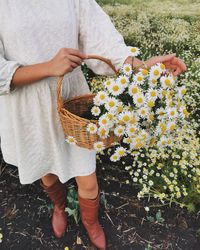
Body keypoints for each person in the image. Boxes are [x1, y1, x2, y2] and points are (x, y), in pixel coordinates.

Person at [0, 1, 187, 249]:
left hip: (72, 100)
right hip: (28, 104)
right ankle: (59, 206)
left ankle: (91, 222)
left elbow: (102, 41)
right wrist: (48, 67)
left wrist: (142, 68)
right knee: (46, 168)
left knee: (87, 178)